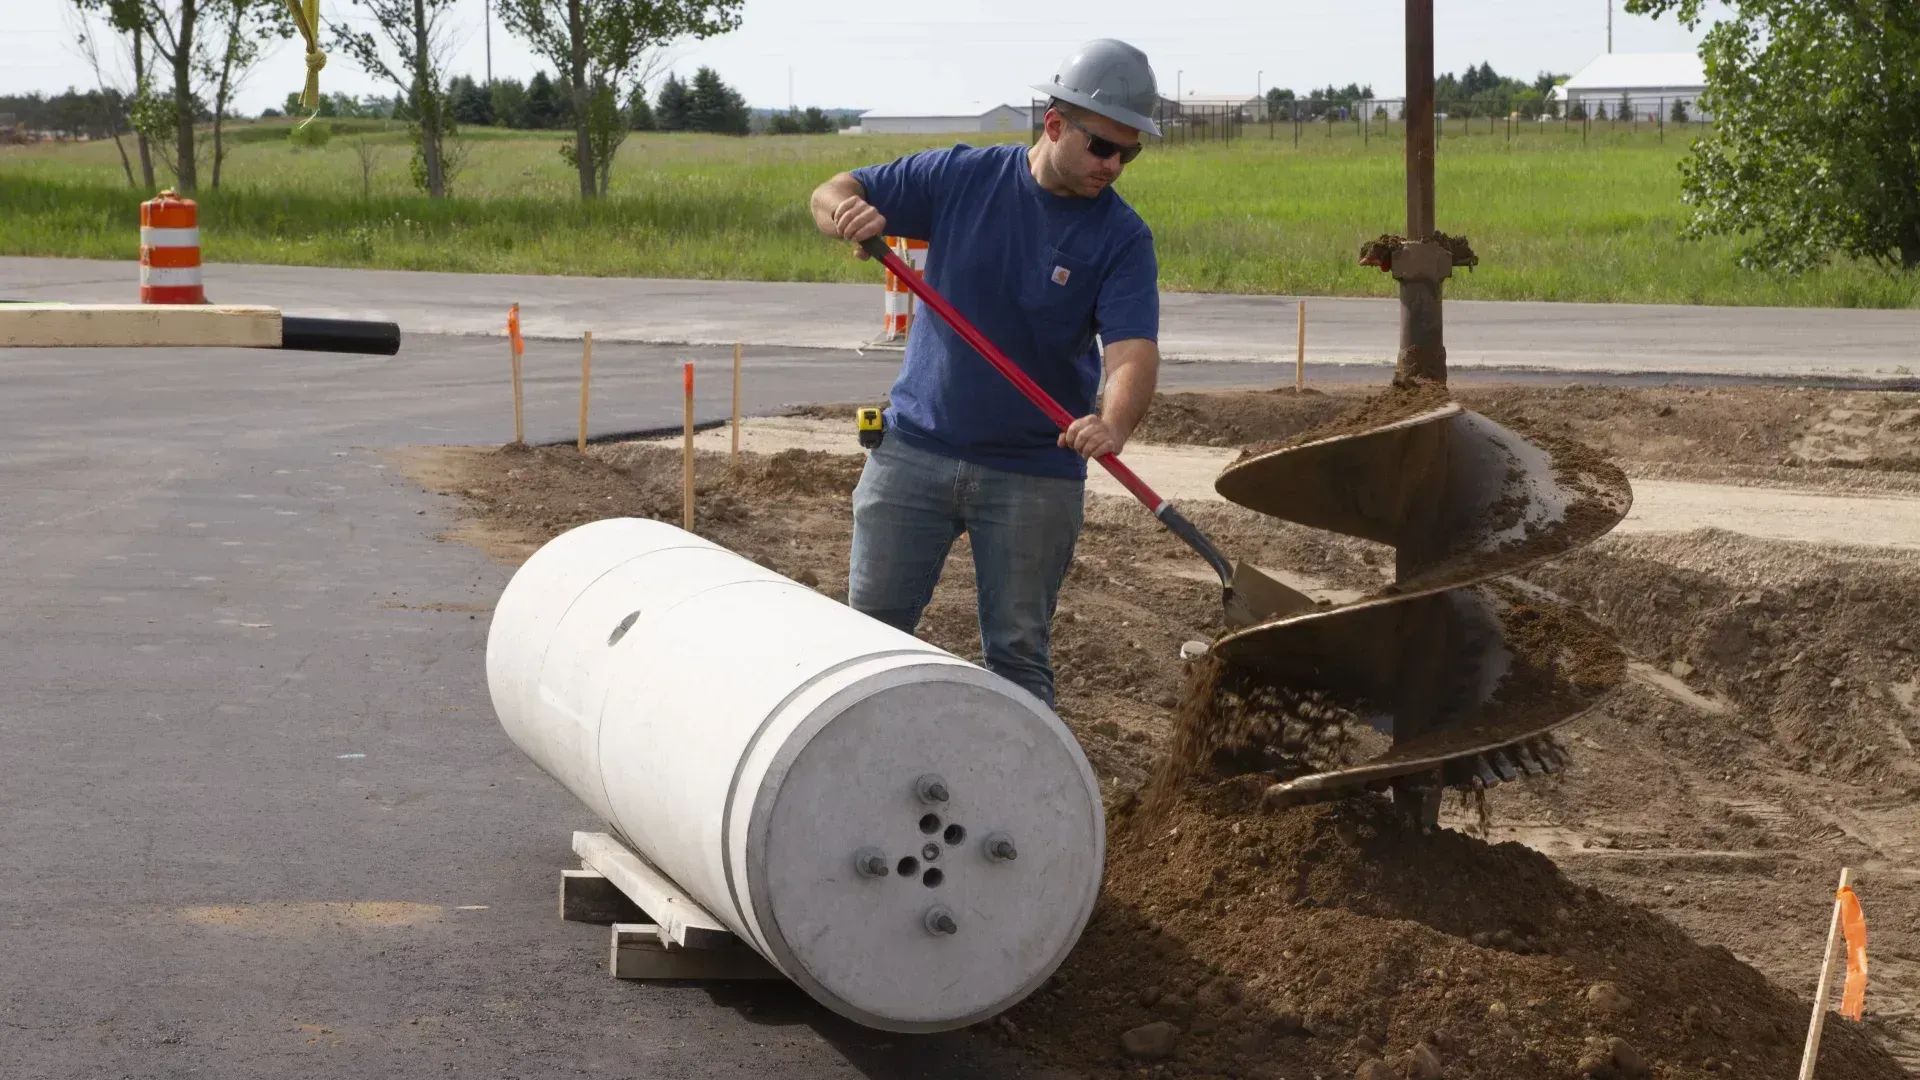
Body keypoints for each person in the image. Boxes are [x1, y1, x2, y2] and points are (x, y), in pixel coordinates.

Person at [808, 39, 1163, 708]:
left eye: (1130, 153)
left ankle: (1026, 801)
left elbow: (1131, 351)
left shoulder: (1121, 238)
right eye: (1102, 147)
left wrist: (1112, 421)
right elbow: (834, 190)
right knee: (864, 641)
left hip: (1035, 471)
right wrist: (845, 216)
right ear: (1055, 125)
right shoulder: (962, 178)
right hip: (914, 451)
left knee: (1019, 658)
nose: (1114, 166)